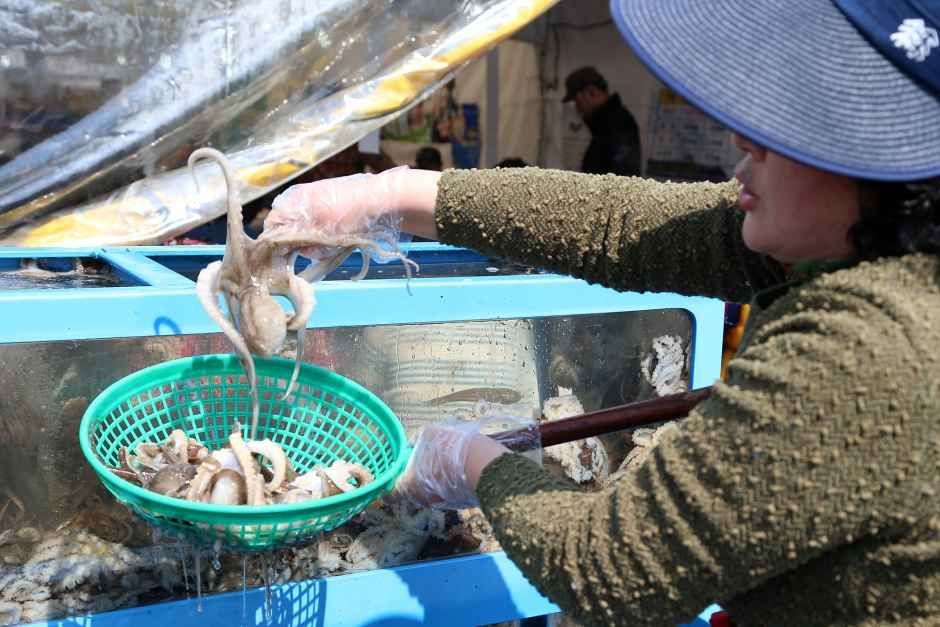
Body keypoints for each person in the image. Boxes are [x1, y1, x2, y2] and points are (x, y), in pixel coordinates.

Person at [263, 1, 940, 624]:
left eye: (794, 128)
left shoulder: (868, 348)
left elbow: (608, 568)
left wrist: (472, 460)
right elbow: (621, 223)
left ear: (891, 170)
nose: (746, 142)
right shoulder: (859, 243)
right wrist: (395, 192)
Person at [563, 65, 641, 177]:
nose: (577, 108)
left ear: (591, 92)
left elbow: (623, 175)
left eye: (577, 101)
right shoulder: (604, 124)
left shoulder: (618, 124)